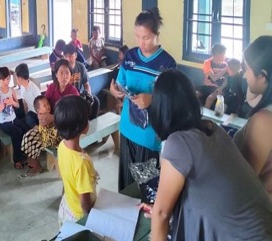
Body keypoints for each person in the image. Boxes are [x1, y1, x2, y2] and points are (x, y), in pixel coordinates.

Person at [144, 69, 272, 241]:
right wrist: (164, 209)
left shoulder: (178, 143)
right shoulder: (212, 128)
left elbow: (161, 214)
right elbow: (203, 192)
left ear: (160, 107)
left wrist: (161, 212)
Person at [109, 8, 176, 191]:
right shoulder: (130, 56)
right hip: (128, 127)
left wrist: (153, 98)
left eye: (145, 37)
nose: (141, 42)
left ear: (157, 35)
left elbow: (173, 99)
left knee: (145, 187)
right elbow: (121, 82)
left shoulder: (167, 64)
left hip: (149, 134)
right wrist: (115, 90)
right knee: (127, 184)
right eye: (137, 36)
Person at [234, 36, 272, 201]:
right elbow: (252, 96)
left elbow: (245, 183)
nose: (244, 75)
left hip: (257, 214)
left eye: (246, 69)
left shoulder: (263, 122)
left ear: (263, 77)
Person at [55, 95, 98, 225]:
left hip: (67, 205)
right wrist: (93, 217)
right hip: (79, 216)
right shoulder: (81, 163)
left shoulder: (62, 146)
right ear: (82, 126)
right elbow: (85, 204)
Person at [0, 67, 29, 169]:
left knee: (26, 129)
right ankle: (17, 159)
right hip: (4, 122)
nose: (6, 82)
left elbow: (18, 106)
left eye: (8, 79)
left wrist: (12, 102)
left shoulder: (11, 90)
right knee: (17, 132)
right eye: (3, 80)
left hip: (14, 118)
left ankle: (26, 153)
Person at [21, 96, 61, 177]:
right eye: (44, 105)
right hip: (45, 135)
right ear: (38, 110)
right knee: (27, 135)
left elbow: (49, 133)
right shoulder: (41, 116)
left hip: (53, 139)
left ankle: (35, 165)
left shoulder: (49, 115)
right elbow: (42, 129)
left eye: (47, 104)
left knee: (31, 138)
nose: (48, 106)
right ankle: (33, 162)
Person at [63, 44, 100, 119]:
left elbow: (86, 85)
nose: (68, 59)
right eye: (66, 56)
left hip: (78, 96)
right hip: (66, 98)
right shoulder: (62, 69)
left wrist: (88, 95)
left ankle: (91, 123)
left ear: (76, 55)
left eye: (71, 56)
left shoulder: (81, 67)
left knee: (95, 101)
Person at [15, 63, 41, 129]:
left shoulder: (34, 89)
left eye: (16, 77)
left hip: (37, 116)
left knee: (29, 120)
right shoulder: (22, 87)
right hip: (29, 114)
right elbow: (24, 103)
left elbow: (41, 107)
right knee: (19, 123)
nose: (16, 79)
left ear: (20, 78)